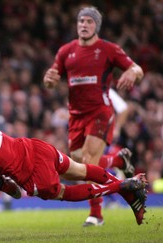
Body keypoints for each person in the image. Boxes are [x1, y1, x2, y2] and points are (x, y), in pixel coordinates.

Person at [0, 92, 148, 226]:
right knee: (80, 170)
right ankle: (125, 185)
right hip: (34, 147)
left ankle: (123, 186)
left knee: (62, 193)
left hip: (30, 171)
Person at [43, 6, 144, 226]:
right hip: (76, 116)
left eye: (89, 22)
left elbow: (137, 69)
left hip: (100, 111)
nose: (84, 25)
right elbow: (51, 79)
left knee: (89, 160)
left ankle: (96, 214)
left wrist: (130, 72)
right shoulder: (65, 51)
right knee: (78, 166)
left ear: (96, 25)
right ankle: (118, 160)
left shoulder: (108, 49)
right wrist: (49, 81)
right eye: (81, 21)